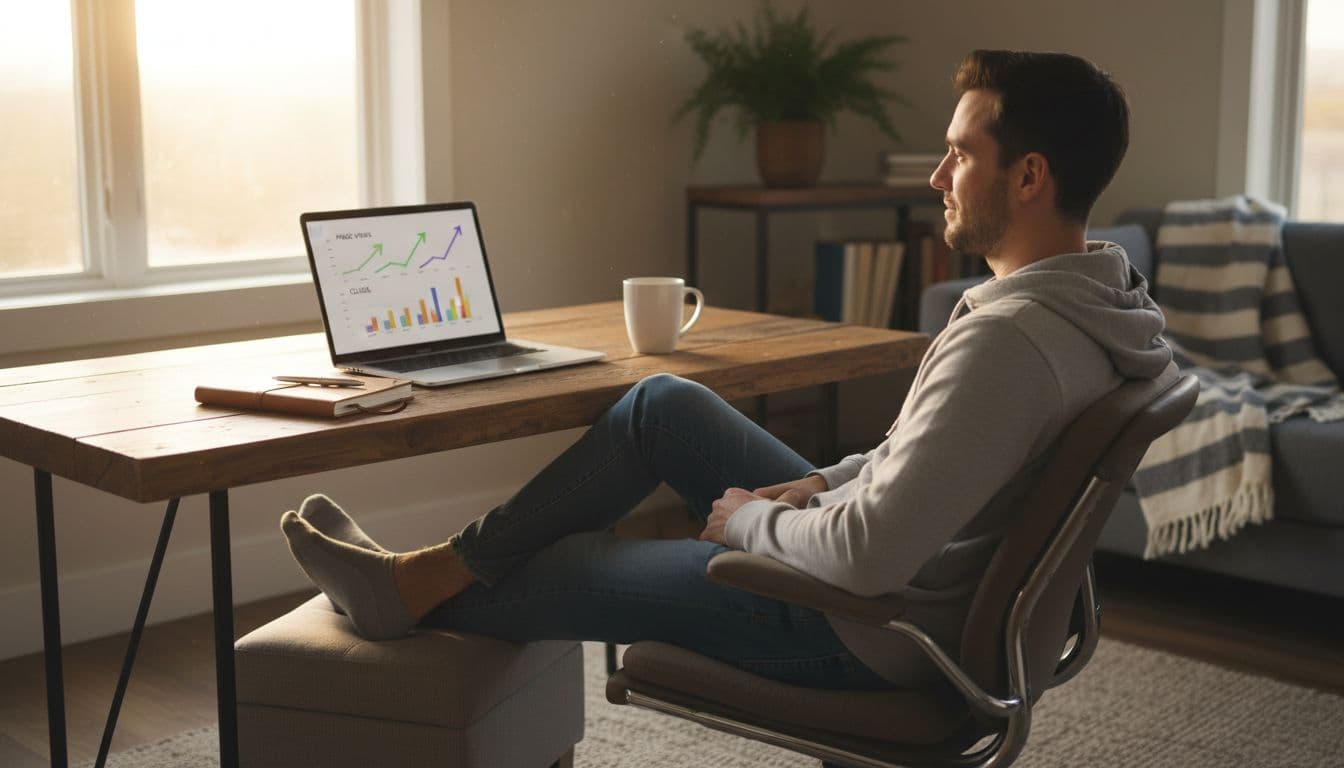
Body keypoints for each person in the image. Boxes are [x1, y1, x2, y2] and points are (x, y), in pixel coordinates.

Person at [281, 49, 1172, 690]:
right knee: (662, 402)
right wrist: (817, 483)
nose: (938, 175)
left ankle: (408, 589)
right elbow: (925, 460)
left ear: (1028, 177)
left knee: (574, 561)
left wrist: (750, 523)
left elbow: (868, 556)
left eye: (962, 154)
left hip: (869, 629)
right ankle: (432, 570)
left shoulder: (1011, 343)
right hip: (910, 584)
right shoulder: (1100, 302)